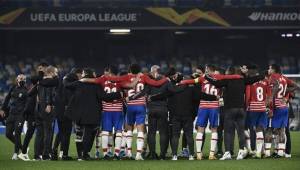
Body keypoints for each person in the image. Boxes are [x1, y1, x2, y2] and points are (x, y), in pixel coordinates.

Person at [205, 66, 265, 160]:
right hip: (241, 109)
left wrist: (206, 76)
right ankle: (241, 151)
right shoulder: (242, 80)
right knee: (241, 131)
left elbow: (216, 83)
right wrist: (264, 74)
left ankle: (228, 152)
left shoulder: (227, 80)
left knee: (228, 131)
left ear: (230, 72)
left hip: (230, 109)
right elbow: (253, 79)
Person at [64, 68, 124, 160]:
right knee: (90, 134)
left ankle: (81, 154)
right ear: (92, 74)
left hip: (78, 114)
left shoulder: (79, 83)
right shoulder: (96, 85)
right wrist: (118, 94)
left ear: (84, 74)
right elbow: (104, 97)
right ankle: (85, 154)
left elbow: (67, 85)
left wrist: (66, 78)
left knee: (79, 134)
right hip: (92, 114)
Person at [266, 64, 299, 158]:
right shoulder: (284, 78)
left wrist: (270, 99)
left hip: (276, 106)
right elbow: (296, 86)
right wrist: (285, 93)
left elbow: (275, 87)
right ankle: (280, 152)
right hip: (284, 107)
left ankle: (267, 152)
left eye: (270, 68)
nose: (269, 70)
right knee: (282, 130)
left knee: (269, 129)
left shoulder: (272, 77)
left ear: (274, 70)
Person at [33, 66, 59, 160]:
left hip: (38, 108)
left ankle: (37, 155)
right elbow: (49, 93)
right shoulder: (49, 81)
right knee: (48, 133)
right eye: (56, 72)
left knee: (39, 133)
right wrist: (49, 104)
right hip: (46, 109)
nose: (57, 74)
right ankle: (46, 155)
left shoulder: (40, 81)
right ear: (51, 72)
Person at [0, 74, 28, 160]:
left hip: (20, 115)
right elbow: (7, 98)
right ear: (17, 80)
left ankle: (16, 154)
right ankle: (23, 148)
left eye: (23, 79)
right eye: (20, 78)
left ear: (25, 81)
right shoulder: (13, 88)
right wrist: (2, 109)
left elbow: (27, 104)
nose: (22, 80)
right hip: (11, 114)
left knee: (17, 134)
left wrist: (25, 114)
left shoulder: (26, 91)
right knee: (8, 134)